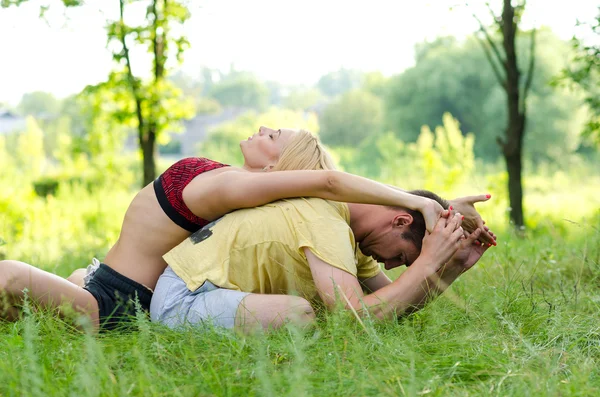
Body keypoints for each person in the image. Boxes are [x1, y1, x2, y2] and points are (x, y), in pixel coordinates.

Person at [0, 126, 493, 331]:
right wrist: (420, 203)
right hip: (116, 299)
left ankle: (73, 282)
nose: (262, 129)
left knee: (31, 300)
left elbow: (392, 298)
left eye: (274, 134)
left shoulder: (259, 194)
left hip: (128, 285)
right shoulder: (230, 186)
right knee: (8, 278)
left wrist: (447, 260)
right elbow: (329, 180)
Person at [151, 190, 495, 332]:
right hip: (184, 299)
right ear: (401, 221)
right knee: (298, 314)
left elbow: (392, 309)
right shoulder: (327, 223)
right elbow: (355, 317)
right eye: (402, 257)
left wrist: (450, 268)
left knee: (301, 314)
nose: (391, 266)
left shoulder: (350, 234)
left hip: (202, 294)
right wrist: (424, 264)